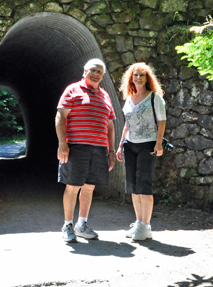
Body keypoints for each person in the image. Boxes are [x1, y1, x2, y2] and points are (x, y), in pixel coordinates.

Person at [56, 59, 116, 243]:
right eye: (93, 70)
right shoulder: (73, 90)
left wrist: (111, 151)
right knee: (72, 186)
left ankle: (82, 224)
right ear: (85, 71)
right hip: (76, 147)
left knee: (89, 187)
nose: (95, 73)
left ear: (103, 75)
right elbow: (60, 116)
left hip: (99, 149)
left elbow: (111, 127)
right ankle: (67, 225)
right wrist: (62, 143)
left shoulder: (105, 95)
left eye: (99, 71)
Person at [116, 62, 166, 241]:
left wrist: (158, 143)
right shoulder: (129, 98)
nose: (138, 78)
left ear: (147, 78)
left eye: (142, 75)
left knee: (144, 186)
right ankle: (138, 222)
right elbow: (127, 124)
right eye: (135, 75)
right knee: (133, 187)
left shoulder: (154, 98)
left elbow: (161, 121)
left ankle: (146, 226)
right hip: (130, 145)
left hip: (148, 144)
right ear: (131, 78)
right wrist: (121, 144)